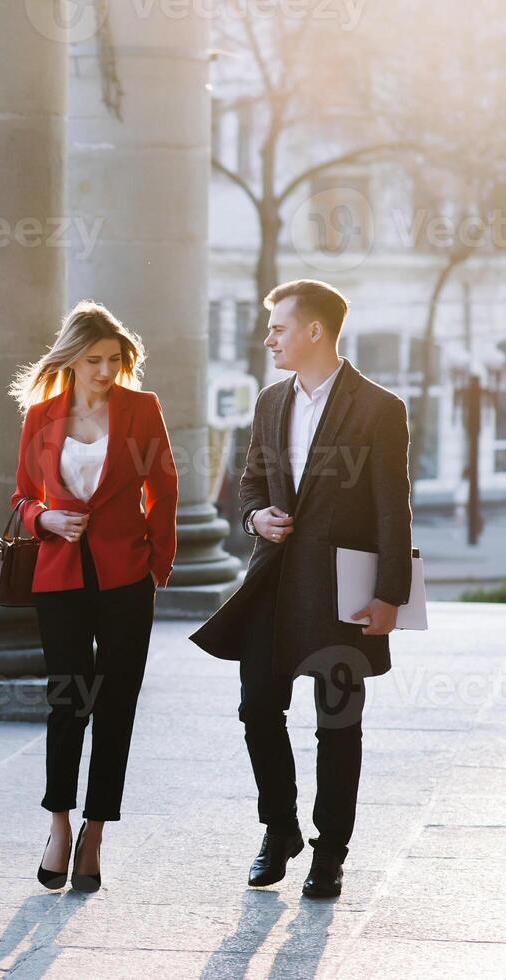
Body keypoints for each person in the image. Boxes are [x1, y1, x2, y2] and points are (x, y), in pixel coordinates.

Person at [190, 279, 414, 899]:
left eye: (279, 328)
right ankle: (279, 828)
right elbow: (251, 482)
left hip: (342, 590)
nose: (269, 339)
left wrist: (390, 595)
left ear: (315, 330)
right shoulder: (268, 401)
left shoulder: (379, 407)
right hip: (273, 584)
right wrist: (254, 516)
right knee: (258, 707)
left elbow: (394, 507)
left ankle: (330, 853)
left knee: (337, 722)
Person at [9, 300, 178, 893]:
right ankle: (58, 823)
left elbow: (163, 486)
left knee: (117, 706)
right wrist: (44, 521)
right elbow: (22, 498)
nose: (106, 371)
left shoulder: (141, 411)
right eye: (94, 360)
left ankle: (96, 831)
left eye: (114, 360)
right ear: (72, 360)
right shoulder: (42, 416)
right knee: (67, 699)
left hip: (126, 578)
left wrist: (157, 563)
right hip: (59, 579)